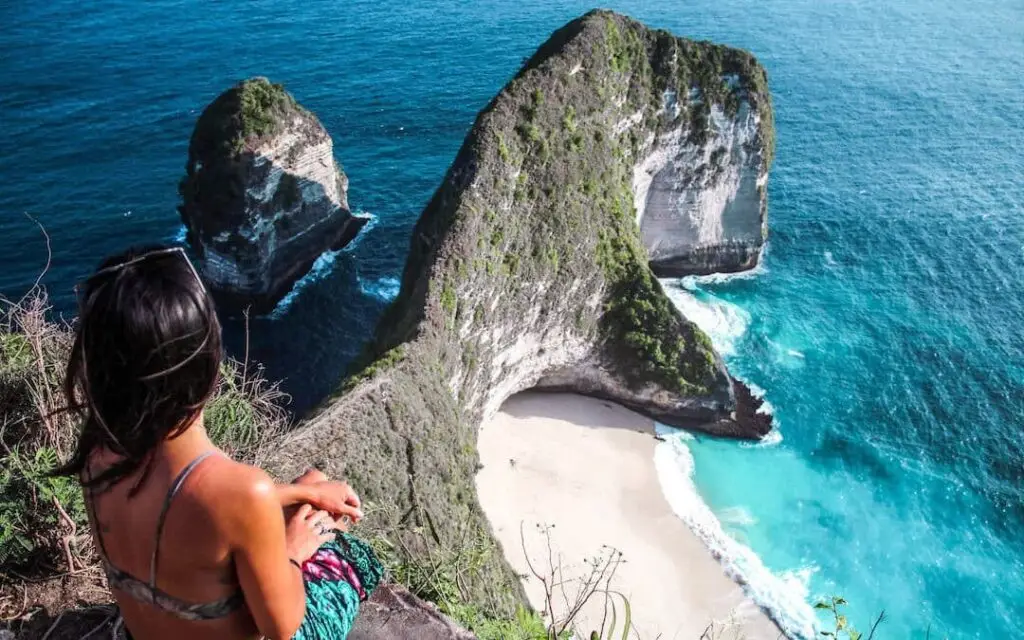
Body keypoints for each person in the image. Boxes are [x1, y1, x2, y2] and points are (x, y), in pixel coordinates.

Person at [55, 245, 382, 640]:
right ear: (209, 356)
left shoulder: (96, 457)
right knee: (347, 552)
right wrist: (293, 550)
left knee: (312, 482)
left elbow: (190, 508)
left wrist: (297, 491)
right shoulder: (241, 490)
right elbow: (282, 628)